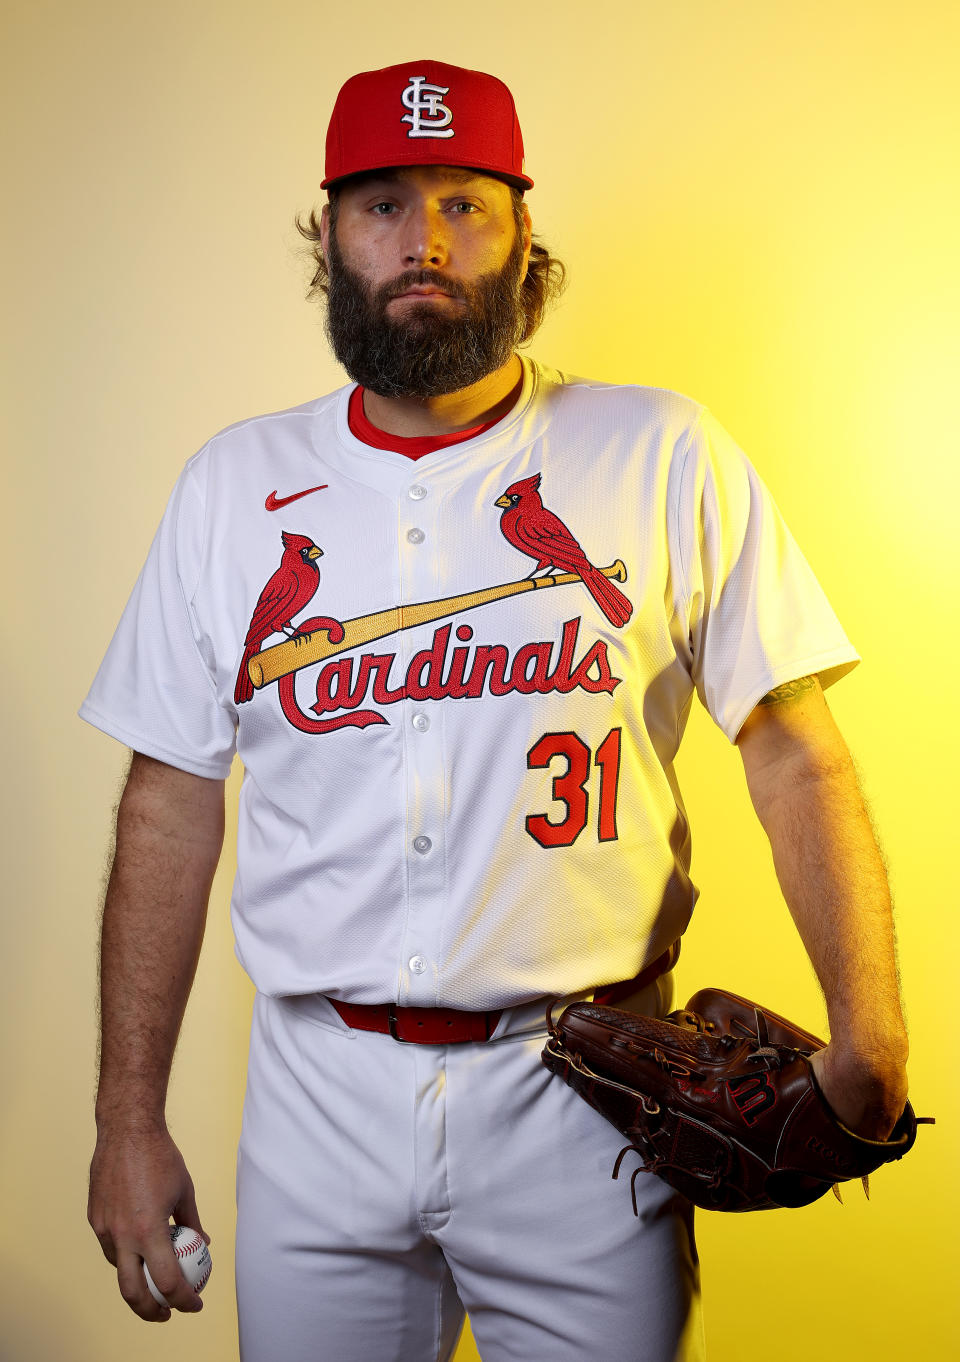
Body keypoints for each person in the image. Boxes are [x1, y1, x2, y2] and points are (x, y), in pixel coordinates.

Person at [82, 59, 910, 1362]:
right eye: (383, 204)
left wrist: (874, 1030)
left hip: (586, 1092)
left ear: (528, 240)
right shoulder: (233, 486)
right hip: (317, 1103)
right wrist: (127, 1117)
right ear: (329, 238)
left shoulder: (661, 452)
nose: (425, 240)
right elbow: (170, 804)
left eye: (467, 203)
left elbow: (795, 755)